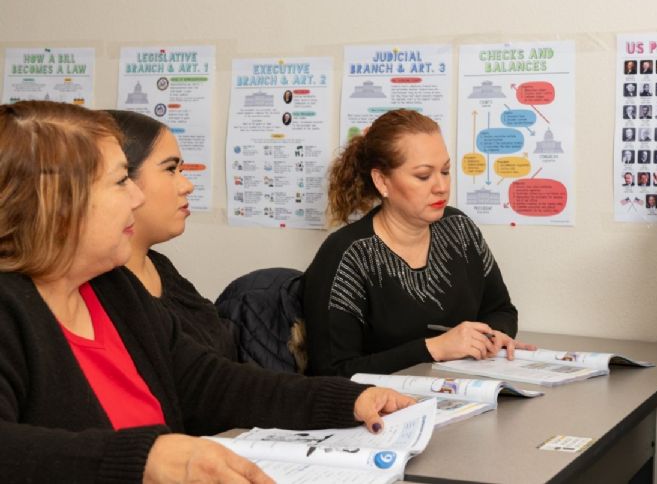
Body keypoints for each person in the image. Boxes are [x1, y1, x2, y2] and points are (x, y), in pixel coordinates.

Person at [0, 101, 414, 483]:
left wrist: (347, 401)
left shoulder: (112, 288)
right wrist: (147, 459)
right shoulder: (11, 308)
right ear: (57, 203)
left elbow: (210, 383)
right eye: (121, 180)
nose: (137, 195)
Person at [302, 109, 531, 377]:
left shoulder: (458, 228)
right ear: (382, 181)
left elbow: (500, 309)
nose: (441, 187)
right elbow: (332, 373)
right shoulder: (347, 255)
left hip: (464, 394)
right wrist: (432, 349)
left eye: (445, 171)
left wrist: (492, 336)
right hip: (386, 411)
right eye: (423, 176)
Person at [107, 110, 235, 359]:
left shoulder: (160, 266)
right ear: (122, 179)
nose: (187, 185)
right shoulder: (105, 292)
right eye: (170, 169)